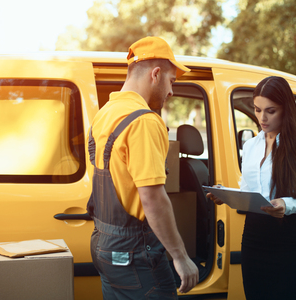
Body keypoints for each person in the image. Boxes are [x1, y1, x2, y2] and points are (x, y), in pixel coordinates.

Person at [87, 36, 199, 299]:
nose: (171, 92)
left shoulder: (105, 114)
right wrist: (180, 257)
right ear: (156, 74)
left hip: (105, 246)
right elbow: (151, 197)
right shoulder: (144, 121)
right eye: (171, 82)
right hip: (135, 252)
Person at [207, 76, 296, 299]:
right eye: (257, 109)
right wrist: (227, 195)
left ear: (286, 109)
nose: (261, 117)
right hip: (254, 239)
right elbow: (249, 189)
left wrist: (287, 204)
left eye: (270, 111)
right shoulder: (250, 145)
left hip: (289, 240)